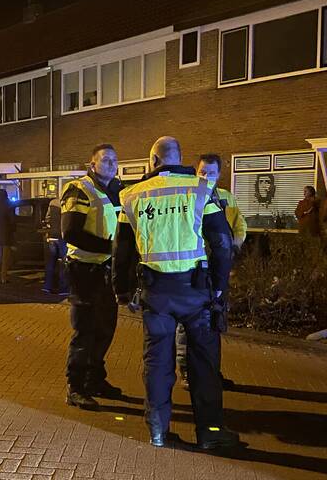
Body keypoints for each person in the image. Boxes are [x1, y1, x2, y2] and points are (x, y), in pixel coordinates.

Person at [114, 136, 239, 451]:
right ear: (180, 157)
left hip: (156, 294)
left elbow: (122, 251)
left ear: (153, 160)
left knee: (157, 362)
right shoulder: (200, 189)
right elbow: (222, 243)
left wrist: (122, 290)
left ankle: (158, 431)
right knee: (204, 363)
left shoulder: (131, 196)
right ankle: (210, 431)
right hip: (196, 293)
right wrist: (221, 287)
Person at [62, 144, 123, 408]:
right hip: (84, 270)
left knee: (105, 329)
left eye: (114, 160)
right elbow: (71, 232)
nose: (111, 164)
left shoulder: (118, 190)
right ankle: (75, 387)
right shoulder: (80, 189)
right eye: (105, 160)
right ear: (92, 164)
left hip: (108, 270)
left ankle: (95, 379)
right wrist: (110, 248)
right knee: (84, 330)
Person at [175, 153, 242, 390]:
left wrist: (231, 249)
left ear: (219, 175)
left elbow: (238, 227)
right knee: (188, 324)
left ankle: (211, 372)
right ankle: (185, 371)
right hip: (196, 270)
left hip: (218, 270)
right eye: (203, 172)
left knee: (214, 324)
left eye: (211, 173)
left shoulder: (226, 197)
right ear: (196, 172)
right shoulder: (188, 196)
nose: (206, 177)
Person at [42, 197, 69, 295]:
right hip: (62, 237)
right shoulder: (67, 202)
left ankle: (47, 286)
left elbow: (47, 219)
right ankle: (63, 288)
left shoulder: (52, 202)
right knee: (63, 263)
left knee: (50, 263)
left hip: (52, 236)